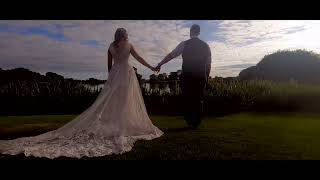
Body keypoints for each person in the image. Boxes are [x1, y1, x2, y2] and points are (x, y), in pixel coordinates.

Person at [0, 28, 163, 159]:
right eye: (127, 34)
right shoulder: (128, 45)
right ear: (124, 36)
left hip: (115, 75)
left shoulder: (111, 47)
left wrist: (111, 78)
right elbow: (139, 58)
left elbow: (109, 66)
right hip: (126, 76)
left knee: (115, 103)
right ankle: (120, 129)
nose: (128, 36)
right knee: (123, 103)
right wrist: (151, 67)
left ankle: (119, 127)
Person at [156, 24, 212, 129]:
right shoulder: (206, 46)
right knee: (198, 99)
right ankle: (196, 123)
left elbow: (171, 55)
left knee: (188, 99)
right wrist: (206, 77)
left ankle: (190, 121)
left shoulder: (184, 44)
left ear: (190, 32)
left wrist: (160, 64)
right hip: (201, 76)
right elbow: (208, 64)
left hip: (187, 76)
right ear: (199, 32)